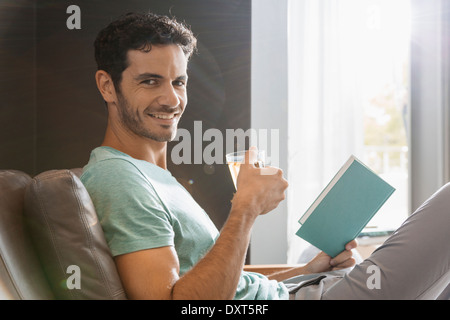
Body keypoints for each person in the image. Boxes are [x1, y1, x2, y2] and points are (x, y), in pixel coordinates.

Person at [81, 12, 449, 300]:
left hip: (304, 289)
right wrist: (246, 208)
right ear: (107, 86)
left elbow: (233, 288)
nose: (172, 99)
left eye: (178, 82)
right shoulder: (119, 178)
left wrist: (310, 269)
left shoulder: (153, 176)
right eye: (150, 81)